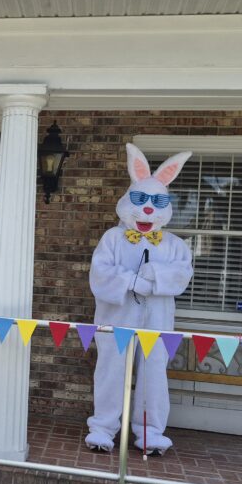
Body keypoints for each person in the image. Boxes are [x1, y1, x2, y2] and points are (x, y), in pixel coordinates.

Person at [86, 144, 193, 455]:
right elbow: (100, 273)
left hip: (157, 321)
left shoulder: (174, 244)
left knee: (154, 374)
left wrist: (155, 276)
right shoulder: (112, 238)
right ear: (127, 199)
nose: (148, 209)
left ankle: (149, 431)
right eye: (140, 200)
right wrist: (132, 281)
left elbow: (182, 274)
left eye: (157, 201)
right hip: (115, 318)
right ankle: (103, 428)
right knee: (110, 371)